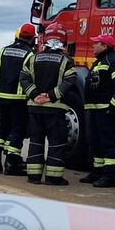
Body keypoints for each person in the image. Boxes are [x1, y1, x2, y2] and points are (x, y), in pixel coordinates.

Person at [21, 23, 76, 185]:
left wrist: (35, 95)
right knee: (56, 143)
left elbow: (24, 78)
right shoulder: (66, 61)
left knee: (36, 141)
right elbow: (70, 80)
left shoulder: (33, 58)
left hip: (34, 108)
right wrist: (51, 96)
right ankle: (53, 177)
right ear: (63, 40)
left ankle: (33, 176)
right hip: (55, 109)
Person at [80, 34, 115, 188]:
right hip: (96, 109)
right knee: (96, 142)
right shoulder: (100, 61)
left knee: (108, 143)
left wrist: (114, 107)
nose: (93, 46)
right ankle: (97, 172)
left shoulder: (113, 61)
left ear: (105, 46)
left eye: (96, 44)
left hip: (106, 110)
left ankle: (108, 176)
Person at [0, 23, 36, 175]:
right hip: (19, 98)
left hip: (1, 96)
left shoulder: (2, 51)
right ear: (32, 39)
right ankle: (11, 164)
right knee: (18, 129)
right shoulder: (30, 55)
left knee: (2, 127)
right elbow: (32, 77)